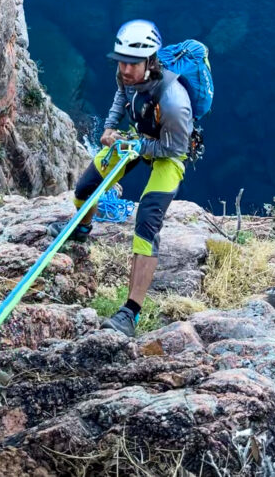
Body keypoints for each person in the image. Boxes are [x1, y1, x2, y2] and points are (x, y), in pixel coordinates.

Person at [48, 19, 193, 337]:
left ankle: (130, 313)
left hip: (167, 152)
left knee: (147, 223)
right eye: (122, 61)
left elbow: (176, 146)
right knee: (85, 189)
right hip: (137, 137)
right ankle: (82, 228)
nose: (125, 69)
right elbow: (121, 97)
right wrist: (110, 128)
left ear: (150, 61)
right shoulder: (126, 75)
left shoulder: (173, 100)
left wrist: (139, 146)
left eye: (132, 63)